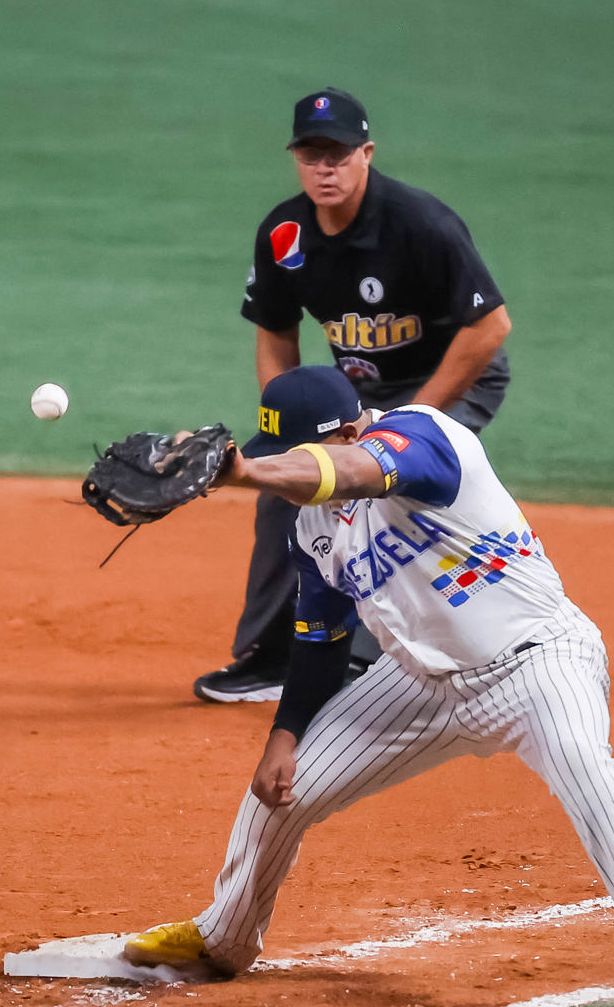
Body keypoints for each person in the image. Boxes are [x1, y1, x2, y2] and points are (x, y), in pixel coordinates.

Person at [124, 366, 614, 1007]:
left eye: (289, 456)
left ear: (346, 432)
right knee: (285, 792)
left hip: (538, 661)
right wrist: (283, 738)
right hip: (418, 684)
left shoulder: (426, 436)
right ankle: (223, 940)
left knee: (586, 773)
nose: (278, 472)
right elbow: (321, 637)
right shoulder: (311, 528)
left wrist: (239, 474)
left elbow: (355, 472)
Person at [197, 87, 514, 705]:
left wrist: (416, 420)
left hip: (452, 376)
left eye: (338, 154)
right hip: (359, 389)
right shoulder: (285, 232)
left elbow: (490, 328)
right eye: (312, 155)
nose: (325, 168)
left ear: (366, 153)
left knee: (375, 493)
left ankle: (361, 661)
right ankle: (273, 654)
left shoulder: (420, 224)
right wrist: (286, 434)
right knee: (277, 488)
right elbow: (275, 332)